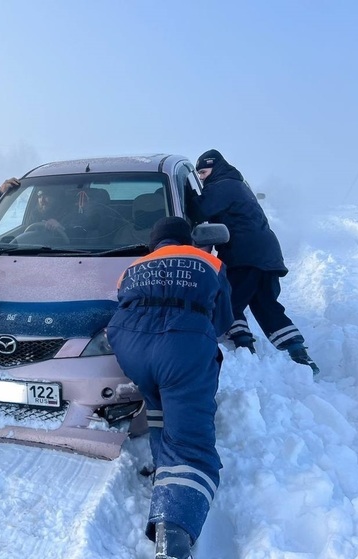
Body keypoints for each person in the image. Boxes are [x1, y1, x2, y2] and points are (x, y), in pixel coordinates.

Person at [106, 217, 234, 559]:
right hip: (180, 345)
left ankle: (164, 465)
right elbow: (223, 319)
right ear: (187, 240)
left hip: (130, 345)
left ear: (155, 243)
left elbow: (123, 304)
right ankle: (172, 537)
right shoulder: (210, 262)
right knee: (191, 440)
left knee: (160, 405)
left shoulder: (133, 267)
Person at [188, 149, 319, 374]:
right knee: (266, 304)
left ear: (215, 167)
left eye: (203, 171)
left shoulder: (223, 184)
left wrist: (186, 193)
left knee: (229, 301)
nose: (201, 177)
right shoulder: (237, 185)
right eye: (198, 173)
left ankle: (243, 346)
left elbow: (199, 210)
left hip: (245, 254)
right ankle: (299, 353)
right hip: (266, 254)